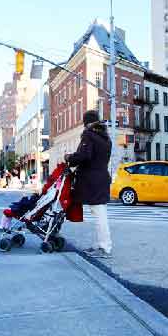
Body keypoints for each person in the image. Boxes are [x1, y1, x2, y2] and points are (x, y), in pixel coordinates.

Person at [65, 110, 112, 258]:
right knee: (99, 212)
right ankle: (101, 244)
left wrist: (69, 157)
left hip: (92, 180)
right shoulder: (105, 137)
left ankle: (105, 247)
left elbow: (84, 155)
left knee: (99, 214)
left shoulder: (89, 135)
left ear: (86, 123)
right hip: (101, 178)